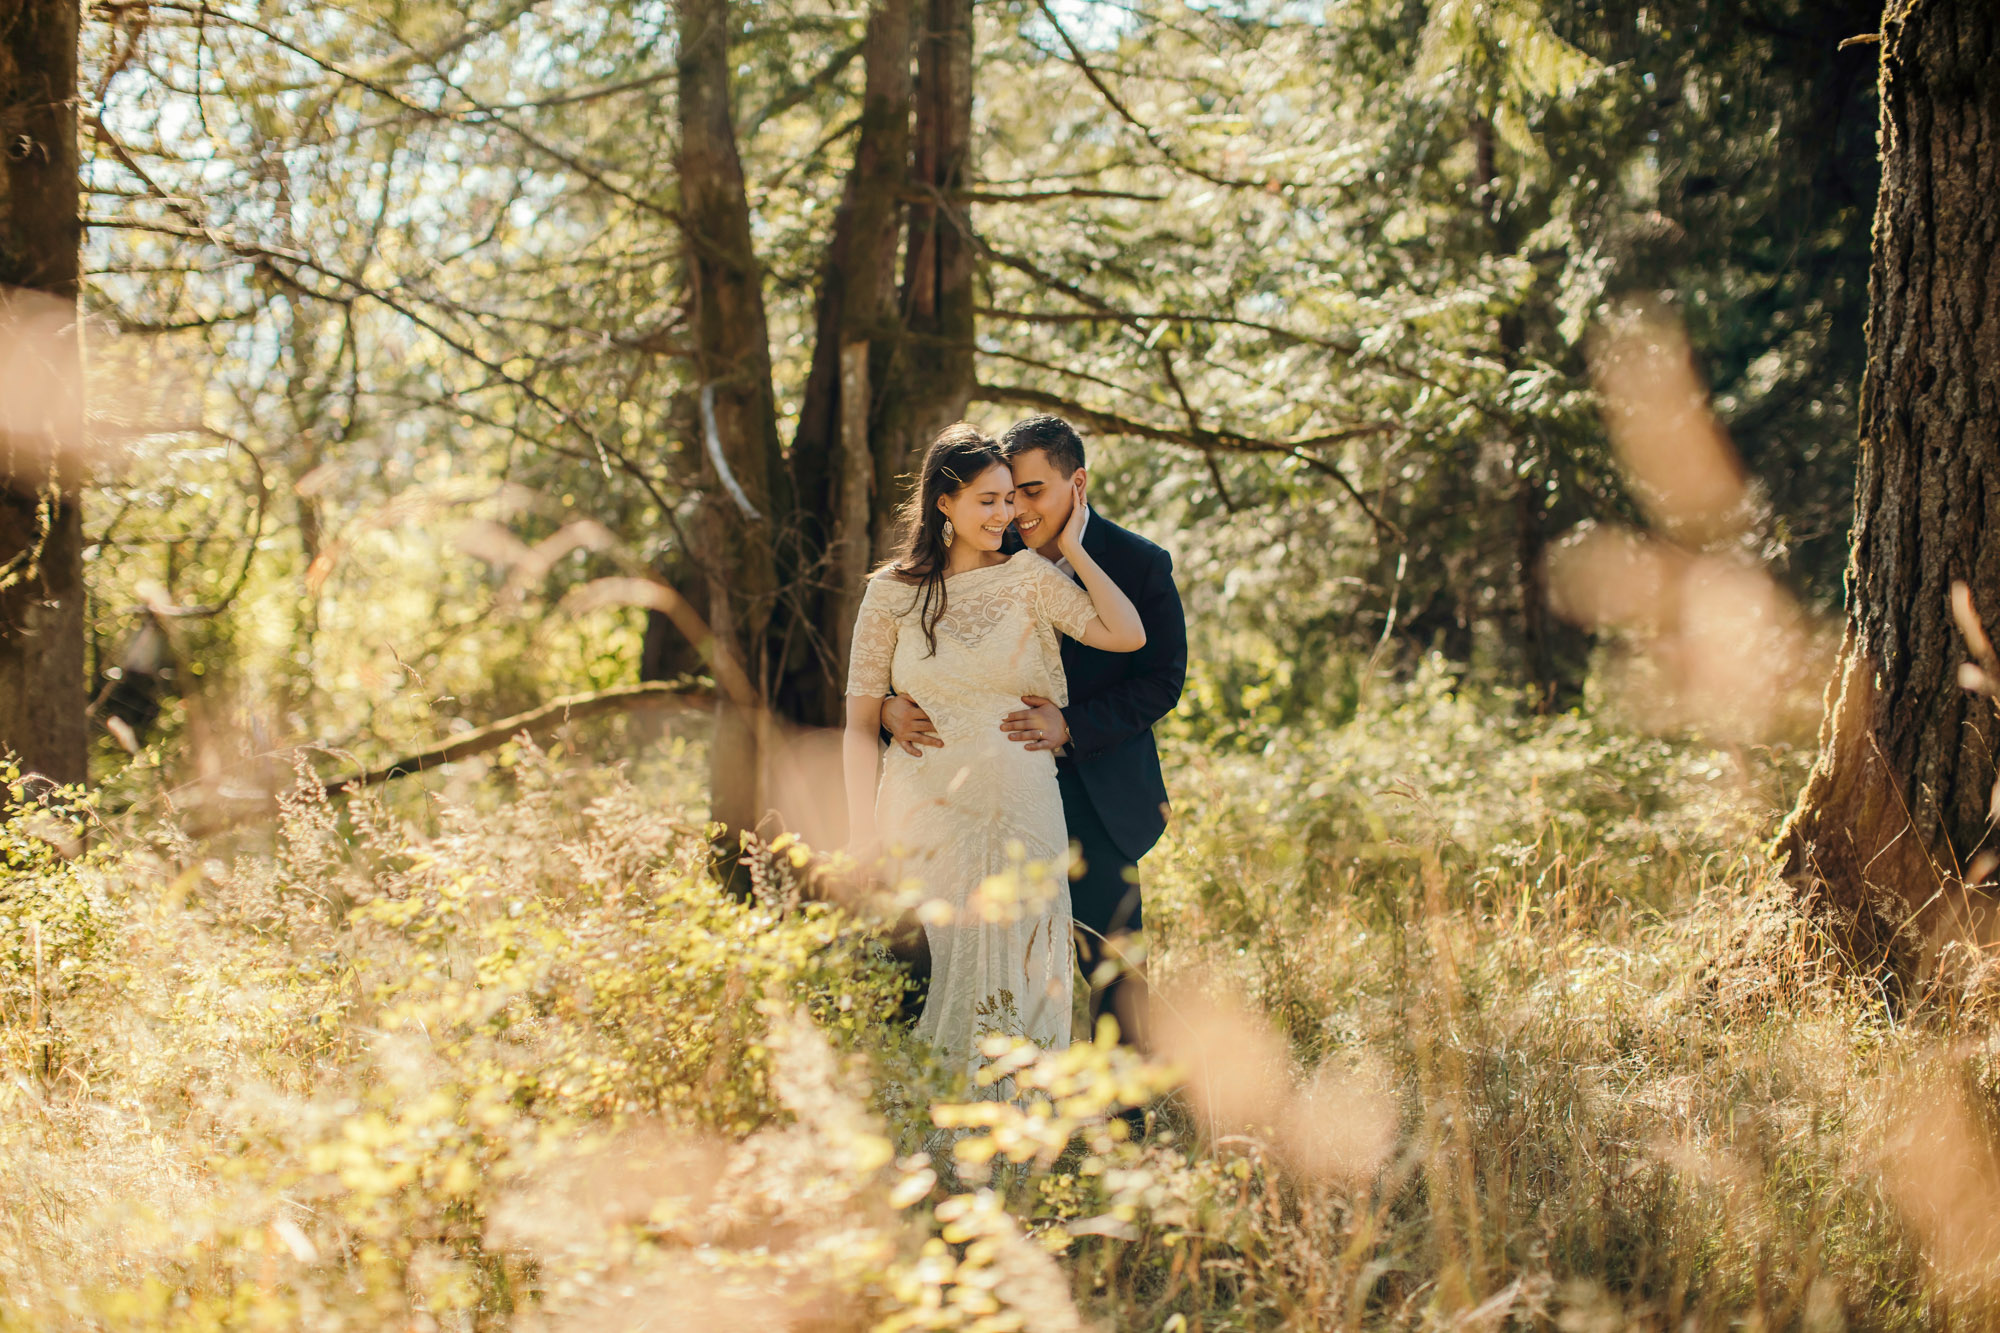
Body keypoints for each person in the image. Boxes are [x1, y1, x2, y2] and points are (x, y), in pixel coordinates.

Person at [843, 423, 1146, 1080]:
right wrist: (862, 834)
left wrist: (1074, 547)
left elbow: (1127, 634)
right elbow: (859, 722)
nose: (1006, 513)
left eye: (1010, 498)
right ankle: (930, 1142)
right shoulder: (891, 593)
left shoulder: (1030, 577)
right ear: (943, 502)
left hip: (1025, 813)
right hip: (924, 815)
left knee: (1024, 968)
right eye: (988, 499)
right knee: (935, 969)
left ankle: (1022, 1148)